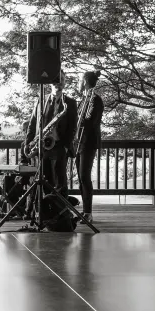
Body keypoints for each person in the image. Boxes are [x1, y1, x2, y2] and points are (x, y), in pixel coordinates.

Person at [24, 82, 77, 196]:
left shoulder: (70, 102)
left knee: (60, 180)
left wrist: (65, 146)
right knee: (45, 179)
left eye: (62, 80)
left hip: (60, 145)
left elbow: (73, 127)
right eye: (57, 80)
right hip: (43, 145)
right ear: (51, 83)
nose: (60, 83)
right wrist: (28, 143)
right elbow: (32, 124)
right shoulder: (41, 100)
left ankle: (62, 211)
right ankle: (47, 209)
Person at [72, 71, 103, 225]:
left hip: (88, 142)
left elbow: (91, 122)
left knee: (85, 176)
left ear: (84, 81)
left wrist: (79, 121)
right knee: (81, 178)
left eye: (79, 80)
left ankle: (89, 213)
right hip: (78, 142)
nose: (78, 83)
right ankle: (84, 211)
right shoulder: (83, 100)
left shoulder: (95, 100)